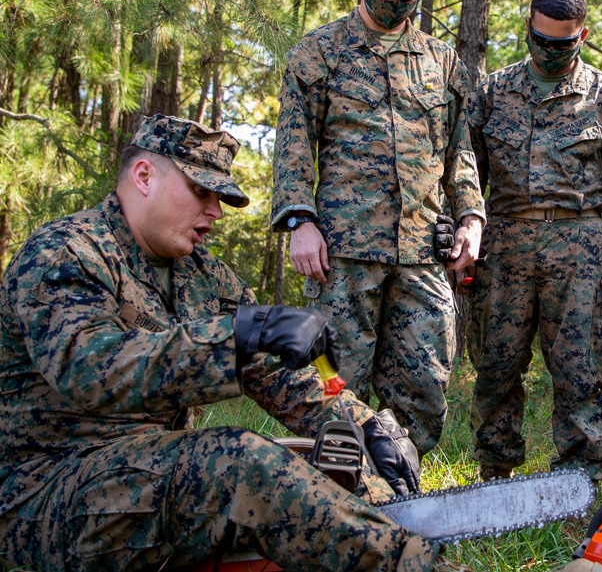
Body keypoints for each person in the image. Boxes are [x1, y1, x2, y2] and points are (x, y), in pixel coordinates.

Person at [0, 115, 435, 572]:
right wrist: (241, 334)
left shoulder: (204, 276)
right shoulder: (65, 254)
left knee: (328, 458)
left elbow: (280, 376)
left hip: (151, 481)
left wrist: (362, 423)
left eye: (221, 198)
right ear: (144, 176)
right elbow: (89, 369)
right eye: (201, 192)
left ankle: (401, 526)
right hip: (49, 498)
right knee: (239, 463)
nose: (216, 212)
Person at [271, 0, 486, 457]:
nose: (396, 3)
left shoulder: (443, 64)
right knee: (330, 388)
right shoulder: (318, 54)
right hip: (342, 256)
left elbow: (458, 151)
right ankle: (335, 499)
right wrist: (299, 222)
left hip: (421, 253)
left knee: (425, 391)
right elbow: (294, 150)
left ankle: (400, 492)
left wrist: (472, 220)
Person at [465, 0, 602, 484]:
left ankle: (579, 481)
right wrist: (463, 234)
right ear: (528, 29)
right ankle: (494, 474)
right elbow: (465, 175)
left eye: (560, 45)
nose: (547, 52)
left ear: (582, 37)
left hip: (581, 248)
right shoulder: (492, 92)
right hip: (504, 245)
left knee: (579, 370)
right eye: (538, 40)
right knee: (495, 365)